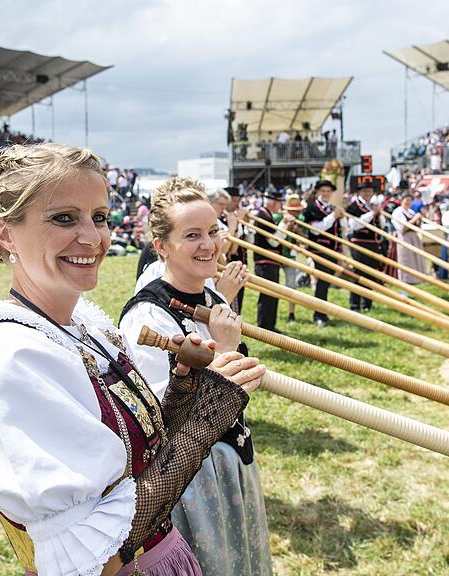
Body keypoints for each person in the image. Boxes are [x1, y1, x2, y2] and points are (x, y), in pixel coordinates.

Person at [0, 144, 264, 576]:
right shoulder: (6, 357)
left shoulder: (84, 329)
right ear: (5, 234)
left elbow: (139, 460)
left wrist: (185, 386)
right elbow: (99, 553)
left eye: (99, 217)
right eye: (63, 218)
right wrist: (209, 412)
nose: (93, 238)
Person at [119, 176, 272, 576]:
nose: (208, 244)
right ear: (161, 246)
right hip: (192, 477)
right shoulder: (147, 317)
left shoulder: (212, 295)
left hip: (232, 456)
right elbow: (159, 422)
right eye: (192, 235)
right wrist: (225, 349)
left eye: (212, 231)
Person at [302, 179, 344, 326]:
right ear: (318, 192)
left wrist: (340, 250)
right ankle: (319, 315)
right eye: (323, 191)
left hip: (332, 250)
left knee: (326, 282)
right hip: (318, 250)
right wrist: (333, 216)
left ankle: (323, 312)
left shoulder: (332, 208)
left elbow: (338, 231)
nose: (326, 193)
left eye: (328, 191)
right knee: (322, 282)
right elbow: (315, 229)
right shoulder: (312, 207)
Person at [250, 188, 288, 332]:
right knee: (268, 294)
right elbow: (273, 242)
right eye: (279, 202)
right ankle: (265, 325)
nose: (280, 205)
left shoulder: (267, 215)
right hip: (265, 261)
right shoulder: (263, 216)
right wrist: (284, 223)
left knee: (273, 294)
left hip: (271, 260)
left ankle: (270, 325)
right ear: (273, 203)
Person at [346, 181, 384, 311]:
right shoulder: (353, 206)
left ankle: (367, 303)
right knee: (358, 274)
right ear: (360, 192)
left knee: (371, 274)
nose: (367, 193)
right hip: (359, 243)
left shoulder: (373, 206)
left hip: (373, 244)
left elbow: (381, 225)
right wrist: (372, 214)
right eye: (364, 191)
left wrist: (379, 214)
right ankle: (355, 304)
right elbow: (354, 225)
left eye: (370, 191)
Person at [280, 193, 305, 322]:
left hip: (290, 256)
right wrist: (286, 225)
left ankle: (291, 313)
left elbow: (305, 239)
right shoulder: (278, 217)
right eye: (292, 211)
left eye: (298, 211)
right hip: (277, 254)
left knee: (291, 284)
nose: (296, 214)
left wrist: (297, 229)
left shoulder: (301, 220)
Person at [391, 194, 426, 285]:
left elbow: (417, 225)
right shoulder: (398, 212)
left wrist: (420, 219)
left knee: (416, 257)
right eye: (406, 200)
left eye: (410, 200)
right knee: (406, 257)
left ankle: (417, 278)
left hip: (414, 236)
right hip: (405, 237)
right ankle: (406, 279)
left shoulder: (411, 211)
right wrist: (415, 219)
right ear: (402, 201)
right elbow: (402, 228)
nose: (408, 202)